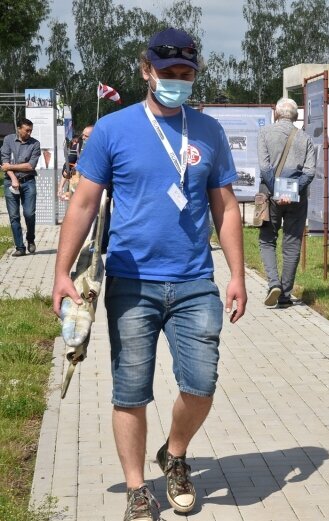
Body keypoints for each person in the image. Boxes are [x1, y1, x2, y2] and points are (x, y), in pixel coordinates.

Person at [51, 27, 247, 521]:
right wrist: (60, 272)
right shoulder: (115, 130)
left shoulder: (208, 131)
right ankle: (139, 489)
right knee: (131, 390)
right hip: (130, 283)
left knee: (201, 384)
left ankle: (174, 454)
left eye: (185, 74)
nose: (177, 81)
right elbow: (84, 203)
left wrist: (239, 275)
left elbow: (224, 208)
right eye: (167, 73)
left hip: (194, 281)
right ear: (146, 70)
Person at [257, 97, 316, 308]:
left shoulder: (264, 133)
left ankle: (274, 282)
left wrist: (276, 191)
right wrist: (291, 192)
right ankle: (285, 294)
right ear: (296, 116)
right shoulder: (306, 138)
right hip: (297, 198)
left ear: (276, 113)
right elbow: (310, 171)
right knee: (292, 243)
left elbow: (265, 168)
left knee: (266, 239)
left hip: (268, 195)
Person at [2, 118, 41, 257]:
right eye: (27, 130)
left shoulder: (35, 144)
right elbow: (4, 161)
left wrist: (10, 167)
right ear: (19, 129)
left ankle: (30, 239)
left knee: (29, 213)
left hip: (28, 181)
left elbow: (30, 166)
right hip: (10, 182)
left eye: (31, 130)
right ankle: (20, 247)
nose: (29, 133)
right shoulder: (8, 140)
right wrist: (13, 178)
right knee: (14, 216)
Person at [58, 126, 93, 200]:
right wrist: (60, 187)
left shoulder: (101, 149)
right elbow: (68, 164)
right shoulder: (77, 146)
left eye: (86, 136)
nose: (83, 138)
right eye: (82, 135)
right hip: (78, 184)